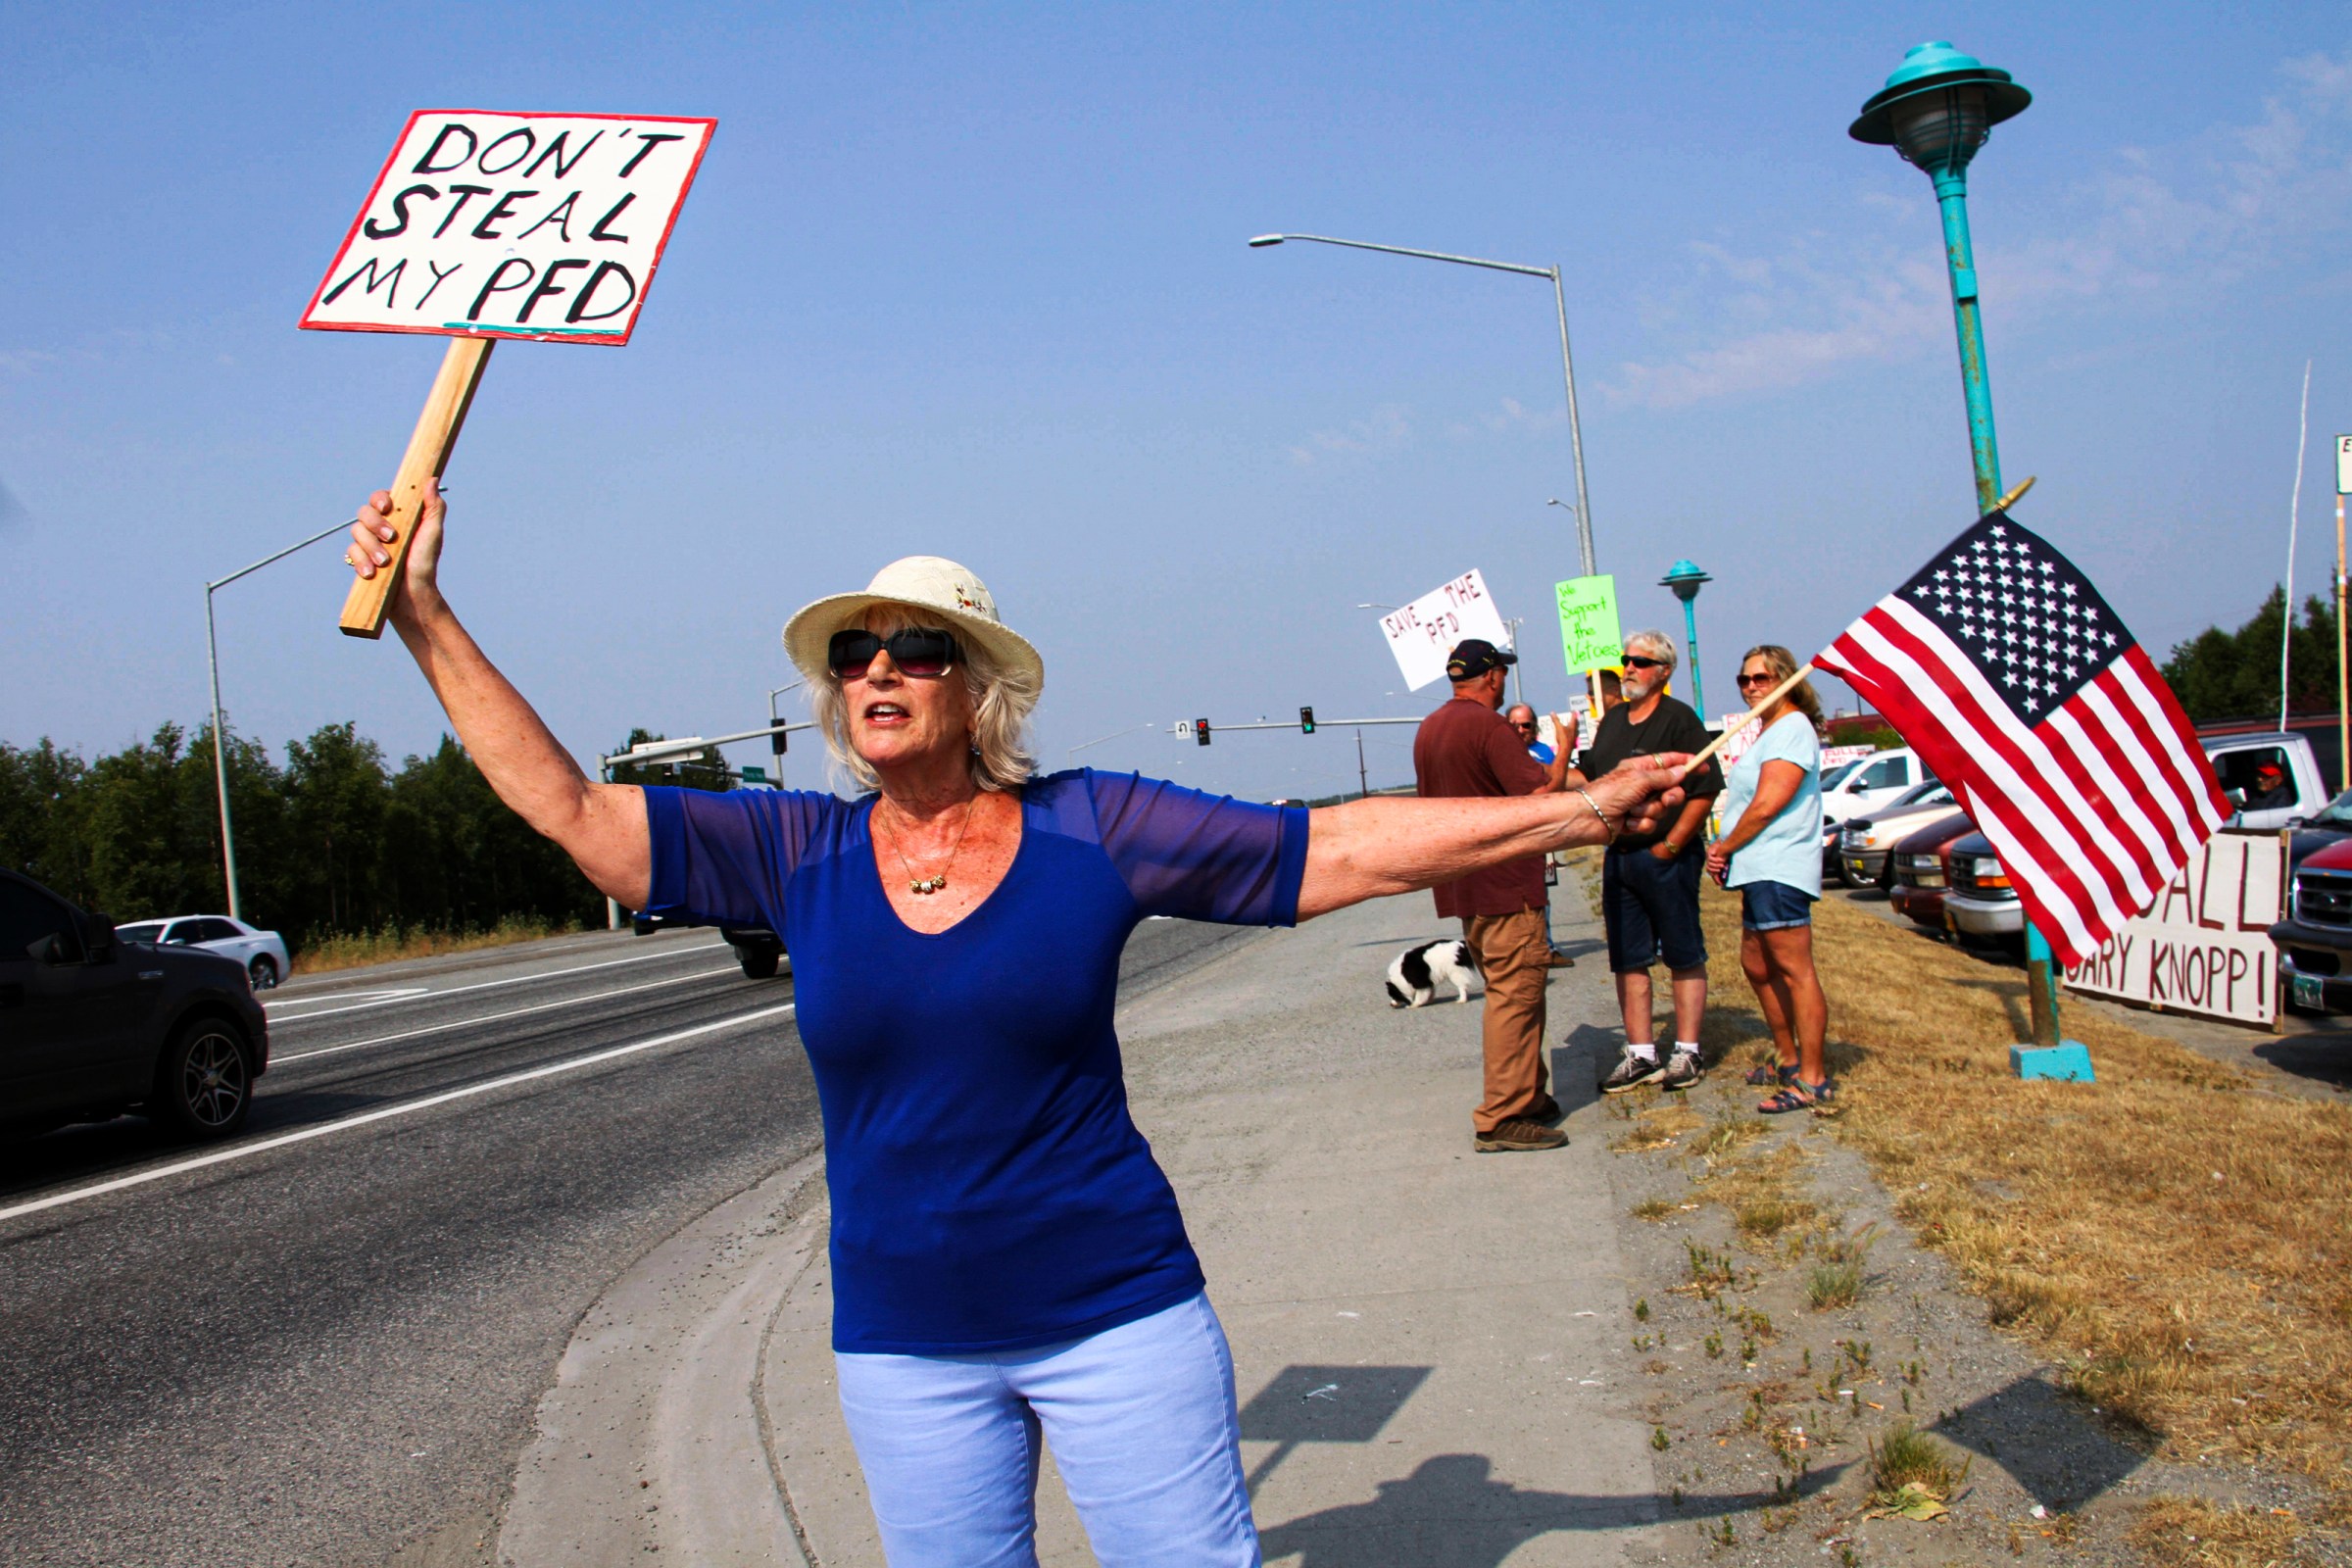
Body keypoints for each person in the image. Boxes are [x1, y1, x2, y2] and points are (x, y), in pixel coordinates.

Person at [342, 489, 1688, 1566]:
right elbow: (576, 814)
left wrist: (1576, 809)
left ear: (976, 686)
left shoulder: (1089, 827)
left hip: (1114, 1316)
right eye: (855, 652)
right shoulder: (795, 853)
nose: (878, 669)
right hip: (903, 1342)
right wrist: (427, 619)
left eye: (914, 647)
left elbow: (1334, 847)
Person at [1413, 640, 1583, 1152]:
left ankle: (1528, 1096)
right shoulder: (1489, 726)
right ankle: (1501, 1117)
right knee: (1513, 998)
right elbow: (1539, 796)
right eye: (1501, 674)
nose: (1504, 681)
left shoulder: (1430, 729)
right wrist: (1567, 746)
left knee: (1518, 991)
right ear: (1491, 679)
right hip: (1507, 883)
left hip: (1465, 885)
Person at [1566, 631, 1722, 1094]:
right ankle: (1640, 1055)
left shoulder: (1680, 720)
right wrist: (1545, 771)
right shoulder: (1613, 720)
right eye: (1625, 660)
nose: (1628, 668)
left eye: (1639, 661)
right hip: (1620, 857)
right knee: (1628, 958)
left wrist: (1672, 845)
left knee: (1682, 952)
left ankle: (1688, 1052)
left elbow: (1705, 787)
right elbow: (1590, 775)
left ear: (1664, 671)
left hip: (1666, 858)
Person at [1704, 646, 1833, 1113]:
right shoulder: (1767, 730)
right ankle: (1788, 1058)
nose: (1752, 686)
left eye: (1762, 677)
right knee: (1756, 965)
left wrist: (1723, 847)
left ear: (1787, 680)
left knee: (1795, 971)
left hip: (1779, 867)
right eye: (1744, 679)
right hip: (1756, 869)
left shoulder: (1793, 727)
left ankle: (1812, 1079)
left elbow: (1767, 804)